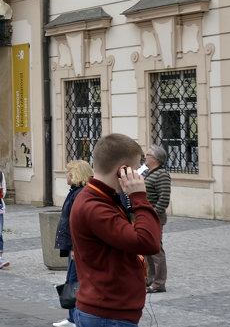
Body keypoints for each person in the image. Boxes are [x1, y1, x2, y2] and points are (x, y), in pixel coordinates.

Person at [69, 133, 162, 327]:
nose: (139, 175)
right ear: (123, 171)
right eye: (137, 169)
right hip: (108, 315)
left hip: (109, 312)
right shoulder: (95, 205)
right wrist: (139, 197)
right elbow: (148, 242)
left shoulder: (103, 198)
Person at [54, 159, 92, 327]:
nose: (66, 176)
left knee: (75, 282)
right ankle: (72, 318)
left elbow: (78, 224)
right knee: (72, 280)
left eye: (67, 173)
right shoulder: (76, 191)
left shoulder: (80, 193)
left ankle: (77, 319)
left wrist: (74, 247)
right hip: (73, 245)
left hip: (76, 247)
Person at [142, 145, 172, 292]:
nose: (145, 157)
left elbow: (164, 198)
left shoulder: (162, 175)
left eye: (147, 155)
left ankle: (159, 283)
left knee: (156, 249)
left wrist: (153, 214)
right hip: (145, 215)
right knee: (146, 248)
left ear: (156, 159)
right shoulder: (148, 172)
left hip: (154, 217)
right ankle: (150, 278)